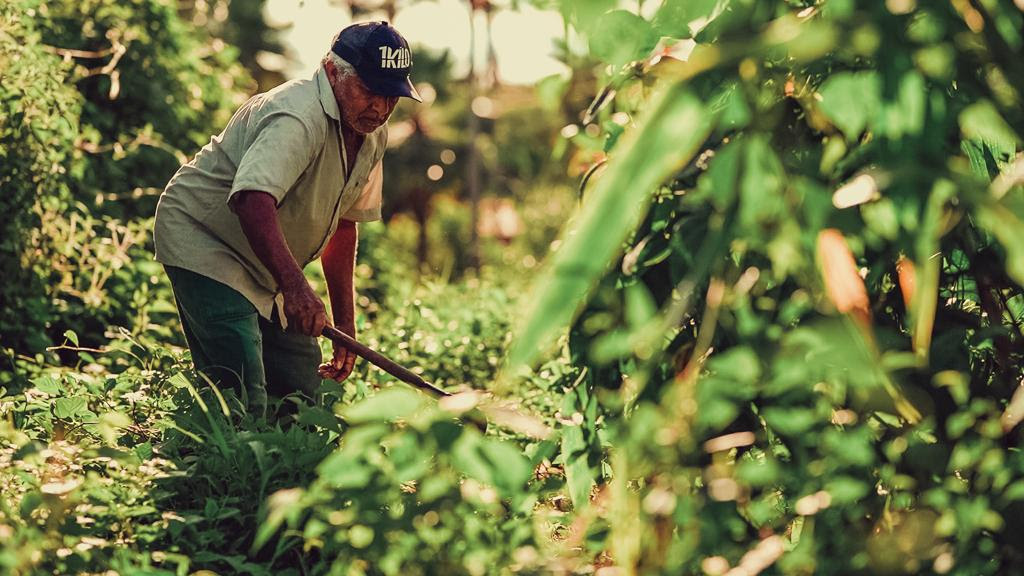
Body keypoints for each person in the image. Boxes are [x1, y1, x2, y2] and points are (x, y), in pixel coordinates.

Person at [152, 21, 421, 416]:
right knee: (241, 396)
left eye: (391, 97)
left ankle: (290, 473)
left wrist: (345, 324)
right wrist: (295, 287)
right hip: (207, 241)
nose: (380, 108)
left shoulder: (372, 133)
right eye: (368, 91)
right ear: (332, 72)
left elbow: (344, 226)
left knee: (302, 393)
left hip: (265, 261)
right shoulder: (296, 116)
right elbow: (251, 199)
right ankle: (216, 467)